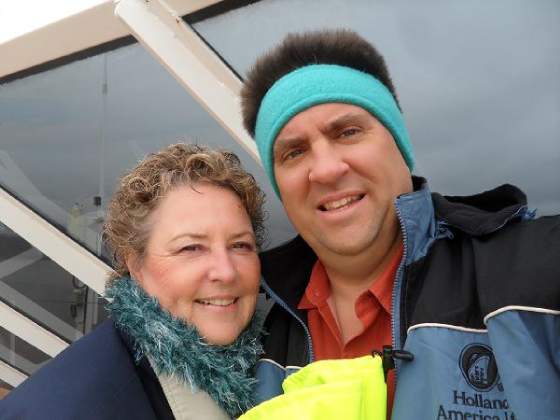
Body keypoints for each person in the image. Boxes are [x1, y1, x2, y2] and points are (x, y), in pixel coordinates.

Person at [240, 29, 560, 419]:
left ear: (400, 145)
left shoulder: (537, 275)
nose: (325, 169)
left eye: (348, 132)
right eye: (294, 152)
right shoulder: (255, 343)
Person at [0, 144, 266, 420]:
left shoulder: (264, 370)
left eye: (241, 245)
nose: (226, 271)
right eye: (191, 248)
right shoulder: (73, 409)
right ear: (135, 264)